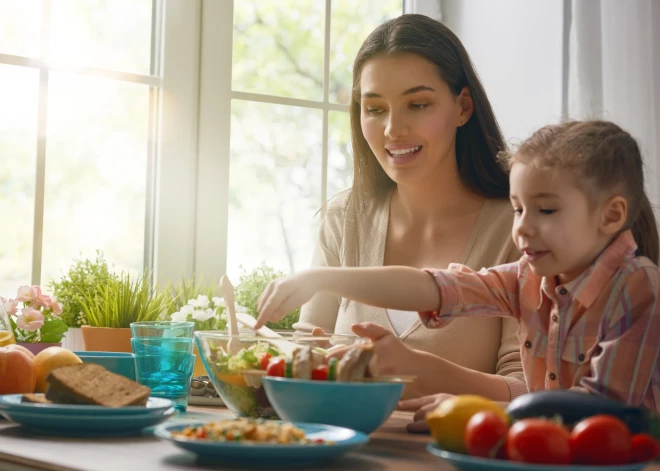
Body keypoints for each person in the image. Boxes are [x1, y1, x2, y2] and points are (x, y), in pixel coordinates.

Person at [257, 120, 660, 412]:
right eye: (518, 209)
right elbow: (433, 287)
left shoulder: (639, 287)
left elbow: (605, 410)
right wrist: (320, 279)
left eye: (547, 210)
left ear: (610, 216)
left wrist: (475, 410)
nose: (522, 228)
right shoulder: (528, 277)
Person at [295, 13, 529, 421]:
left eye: (417, 104)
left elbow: (532, 391)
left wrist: (423, 371)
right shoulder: (344, 219)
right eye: (374, 108)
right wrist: (306, 363)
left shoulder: (518, 225)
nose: (392, 129)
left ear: (463, 107)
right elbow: (305, 351)